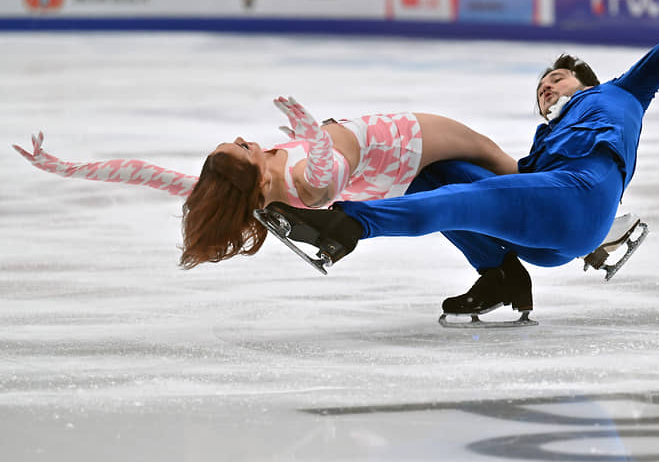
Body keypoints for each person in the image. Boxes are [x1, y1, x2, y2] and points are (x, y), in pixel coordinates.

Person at [258, 0, 659, 318]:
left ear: (584, 81)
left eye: (558, 79)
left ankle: (348, 225)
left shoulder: (620, 93)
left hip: (576, 199)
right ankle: (501, 277)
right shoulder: (545, 141)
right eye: (542, 86)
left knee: (464, 199)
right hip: (548, 227)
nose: (547, 86)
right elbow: (520, 185)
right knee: (432, 175)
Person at [13, 98, 519, 268]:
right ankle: (583, 222)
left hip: (386, 145)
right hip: (406, 140)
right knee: (501, 164)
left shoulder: (260, 183)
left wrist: (65, 168)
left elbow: (143, 173)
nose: (243, 138)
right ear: (250, 175)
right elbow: (329, 173)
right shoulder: (304, 183)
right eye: (240, 147)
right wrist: (310, 132)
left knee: (488, 184)